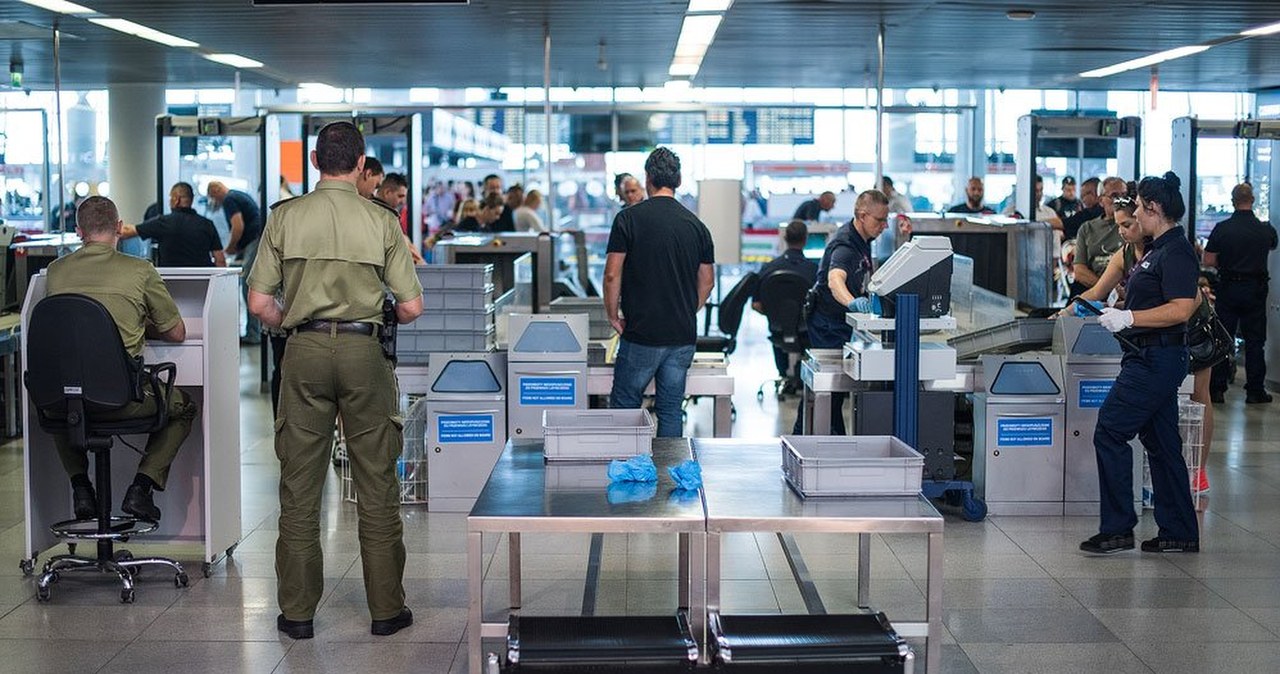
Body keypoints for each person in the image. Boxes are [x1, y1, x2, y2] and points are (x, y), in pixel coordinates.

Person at [247, 121, 423, 640]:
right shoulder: (383, 222)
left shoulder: (285, 217)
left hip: (301, 353)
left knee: (300, 487)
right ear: (361, 160)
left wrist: (298, 320)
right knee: (375, 482)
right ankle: (386, 609)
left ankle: (297, 614)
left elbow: (258, 303)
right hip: (363, 353)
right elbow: (412, 307)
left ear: (316, 160)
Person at [45, 196, 196, 522]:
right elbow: (177, 333)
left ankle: (81, 486)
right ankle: (141, 488)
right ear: (118, 228)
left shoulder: (54, 274)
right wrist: (140, 325)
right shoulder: (140, 271)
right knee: (183, 406)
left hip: (68, 401)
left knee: (62, 399)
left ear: (78, 231)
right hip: (121, 401)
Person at [1081, 171, 1200, 556]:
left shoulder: (1176, 251)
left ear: (1153, 209)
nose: (1134, 213)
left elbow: (1182, 308)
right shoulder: (1157, 250)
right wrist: (1122, 308)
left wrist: (1130, 318)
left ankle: (1117, 529)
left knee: (1110, 431)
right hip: (1148, 356)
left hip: (1156, 359)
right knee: (1162, 445)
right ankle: (1179, 531)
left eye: (1138, 207)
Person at [605, 147, 715, 438]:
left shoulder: (628, 220)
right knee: (669, 408)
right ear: (677, 180)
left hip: (642, 332)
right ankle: (670, 473)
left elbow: (612, 273)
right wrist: (687, 308)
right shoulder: (697, 226)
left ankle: (628, 469)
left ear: (648, 178)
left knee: (626, 404)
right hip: (681, 335)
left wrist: (612, 315)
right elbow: (707, 281)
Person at [796, 190, 890, 435]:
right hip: (827, 323)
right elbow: (835, 280)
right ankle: (824, 440)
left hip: (838, 323)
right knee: (831, 388)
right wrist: (852, 303)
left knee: (831, 390)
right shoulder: (845, 244)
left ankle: (816, 437)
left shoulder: (862, 240)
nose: (884, 225)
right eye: (879, 220)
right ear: (861, 215)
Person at [1205, 182, 1277, 405]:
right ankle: (1255, 390)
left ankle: (1217, 389)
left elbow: (1208, 260)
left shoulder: (1223, 228)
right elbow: (1273, 245)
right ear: (1252, 200)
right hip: (1255, 290)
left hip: (1228, 288)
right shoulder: (1265, 229)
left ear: (1232, 201)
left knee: (1222, 339)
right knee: (1255, 341)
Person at [752, 220, 819, 392]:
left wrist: (777, 316)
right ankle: (802, 375)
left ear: (785, 238)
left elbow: (756, 305)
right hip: (805, 331)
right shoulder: (814, 270)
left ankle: (783, 374)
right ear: (806, 239)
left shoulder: (768, 268)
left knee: (781, 331)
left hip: (777, 329)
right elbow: (819, 305)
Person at [207, 181, 264, 344]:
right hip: (256, 240)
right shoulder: (238, 194)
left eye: (213, 197)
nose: (215, 202)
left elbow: (238, 226)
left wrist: (230, 248)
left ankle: (254, 334)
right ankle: (255, 332)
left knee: (249, 284)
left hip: (254, 241)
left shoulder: (229, 199)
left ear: (216, 190)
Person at [121, 182, 226, 268]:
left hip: (170, 285)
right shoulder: (207, 224)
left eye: (171, 198)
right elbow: (220, 260)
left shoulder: (162, 222)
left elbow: (127, 232)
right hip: (204, 286)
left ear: (176, 199)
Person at [1072, 177, 1129, 290]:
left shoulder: (1135, 225)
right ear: (1101, 200)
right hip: (1095, 287)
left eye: (1124, 195)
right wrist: (1106, 289)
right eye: (1114, 196)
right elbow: (1079, 270)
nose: (1120, 200)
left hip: (1125, 287)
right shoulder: (1087, 228)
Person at [371, 173, 425, 265]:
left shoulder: (389, 214)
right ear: (387, 192)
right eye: (400, 196)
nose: (403, 201)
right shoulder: (379, 214)